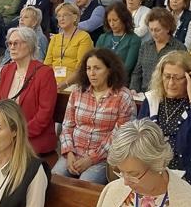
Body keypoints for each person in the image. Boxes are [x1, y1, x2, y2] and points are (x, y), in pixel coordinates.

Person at [138, 51, 191, 196]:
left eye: (177, 78)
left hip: (190, 174)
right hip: (153, 171)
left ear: (190, 77)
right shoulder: (153, 99)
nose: (170, 83)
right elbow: (139, 138)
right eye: (167, 77)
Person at [54, 49, 135, 184]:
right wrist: (69, 153)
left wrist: (91, 158)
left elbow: (119, 136)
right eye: (88, 68)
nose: (92, 73)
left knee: (85, 184)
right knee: (54, 179)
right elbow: (67, 126)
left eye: (97, 68)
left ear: (109, 70)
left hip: (103, 159)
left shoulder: (123, 96)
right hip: (73, 153)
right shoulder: (78, 92)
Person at [0, 27, 58, 155]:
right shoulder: (6, 70)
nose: (12, 47)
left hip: (33, 138)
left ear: (29, 46)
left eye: (16, 43)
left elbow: (44, 114)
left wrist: (19, 133)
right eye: (9, 43)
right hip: (7, 136)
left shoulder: (44, 73)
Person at [130, 7, 186, 93]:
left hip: (168, 94)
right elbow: (137, 72)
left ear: (168, 28)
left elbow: (182, 76)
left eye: (157, 30)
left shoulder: (179, 48)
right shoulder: (145, 46)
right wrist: (133, 89)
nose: (153, 34)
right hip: (145, 94)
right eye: (151, 30)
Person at [44, 2, 93, 87]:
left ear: (75, 17)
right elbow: (47, 64)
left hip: (73, 83)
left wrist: (65, 84)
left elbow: (81, 68)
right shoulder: (55, 38)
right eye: (59, 16)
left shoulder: (84, 37)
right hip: (53, 81)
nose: (61, 18)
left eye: (65, 15)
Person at [96, 2, 142, 76]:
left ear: (124, 19)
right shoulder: (103, 37)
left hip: (120, 80)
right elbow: (95, 61)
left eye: (115, 20)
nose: (112, 24)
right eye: (109, 20)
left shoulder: (134, 39)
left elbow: (127, 68)